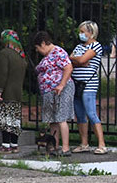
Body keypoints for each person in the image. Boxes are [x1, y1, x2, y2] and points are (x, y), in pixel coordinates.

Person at [69, 20, 108, 155]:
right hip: (77, 84)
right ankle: (84, 143)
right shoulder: (79, 46)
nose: (80, 34)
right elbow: (71, 59)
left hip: (89, 84)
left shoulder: (96, 46)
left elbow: (80, 60)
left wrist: (78, 60)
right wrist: (79, 61)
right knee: (80, 115)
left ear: (91, 33)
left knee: (91, 114)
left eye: (82, 32)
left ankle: (101, 144)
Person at [33, 31, 74, 157]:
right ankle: (54, 147)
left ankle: (65, 148)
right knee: (53, 120)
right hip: (50, 91)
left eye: (38, 47)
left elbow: (68, 68)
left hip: (61, 90)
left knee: (61, 117)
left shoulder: (58, 52)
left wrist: (61, 85)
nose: (37, 51)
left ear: (43, 43)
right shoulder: (49, 55)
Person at [0, 29, 27, 153]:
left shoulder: (4, 53)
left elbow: (2, 73)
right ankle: (14, 145)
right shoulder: (20, 55)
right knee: (14, 120)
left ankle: (5, 146)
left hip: (6, 92)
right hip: (17, 92)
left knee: (5, 118)